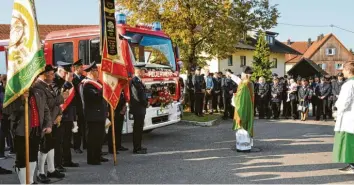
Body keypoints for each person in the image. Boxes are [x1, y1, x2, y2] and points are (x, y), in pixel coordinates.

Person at [4, 80, 53, 184]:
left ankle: (30, 181)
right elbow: (7, 110)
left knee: (33, 156)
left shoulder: (39, 92)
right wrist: (21, 99)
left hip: (36, 130)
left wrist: (48, 125)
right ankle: (23, 182)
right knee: (22, 158)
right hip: (21, 130)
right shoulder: (14, 93)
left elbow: (46, 110)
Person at [34, 65, 65, 183]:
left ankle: (51, 169)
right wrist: (62, 98)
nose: (53, 76)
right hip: (45, 122)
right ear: (44, 74)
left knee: (51, 145)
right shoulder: (38, 86)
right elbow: (46, 103)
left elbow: (55, 104)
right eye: (51, 74)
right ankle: (40, 172)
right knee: (44, 147)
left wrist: (59, 115)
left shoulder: (48, 86)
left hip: (53, 120)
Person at [80, 62, 109, 164]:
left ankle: (98, 155)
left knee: (100, 136)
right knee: (93, 138)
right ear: (90, 72)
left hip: (100, 114)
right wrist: (103, 89)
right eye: (95, 70)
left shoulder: (98, 83)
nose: (97, 72)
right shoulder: (87, 85)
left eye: (97, 70)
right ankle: (92, 158)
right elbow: (95, 98)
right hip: (93, 115)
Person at [51, 61, 75, 172]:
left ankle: (67, 160)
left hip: (66, 114)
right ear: (60, 71)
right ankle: (57, 164)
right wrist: (65, 83)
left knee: (66, 139)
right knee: (58, 140)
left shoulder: (64, 80)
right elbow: (57, 94)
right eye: (65, 72)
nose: (67, 75)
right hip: (57, 115)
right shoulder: (54, 80)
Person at [333, 61, 354, 174]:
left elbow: (344, 102)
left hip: (348, 117)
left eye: (344, 69)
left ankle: (353, 165)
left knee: (349, 142)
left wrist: (337, 109)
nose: (342, 71)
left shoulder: (348, 84)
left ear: (348, 70)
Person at [232, 66, 254, 152]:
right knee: (243, 128)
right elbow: (238, 81)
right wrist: (231, 75)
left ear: (245, 75)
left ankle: (243, 147)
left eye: (242, 74)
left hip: (243, 108)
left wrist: (234, 97)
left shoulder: (245, 84)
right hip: (247, 108)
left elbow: (240, 97)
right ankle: (244, 146)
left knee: (242, 126)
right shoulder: (248, 83)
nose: (241, 75)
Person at [129, 64, 148, 154]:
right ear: (139, 71)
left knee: (140, 128)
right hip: (138, 108)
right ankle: (136, 148)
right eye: (143, 70)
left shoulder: (139, 81)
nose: (144, 72)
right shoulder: (134, 81)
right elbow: (137, 96)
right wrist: (145, 103)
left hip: (140, 108)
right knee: (137, 128)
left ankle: (139, 146)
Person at [72, 59, 86, 153]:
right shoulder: (73, 79)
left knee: (84, 127)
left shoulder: (84, 78)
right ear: (76, 69)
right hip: (77, 108)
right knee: (76, 129)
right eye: (81, 67)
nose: (83, 69)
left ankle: (86, 144)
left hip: (84, 107)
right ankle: (76, 147)